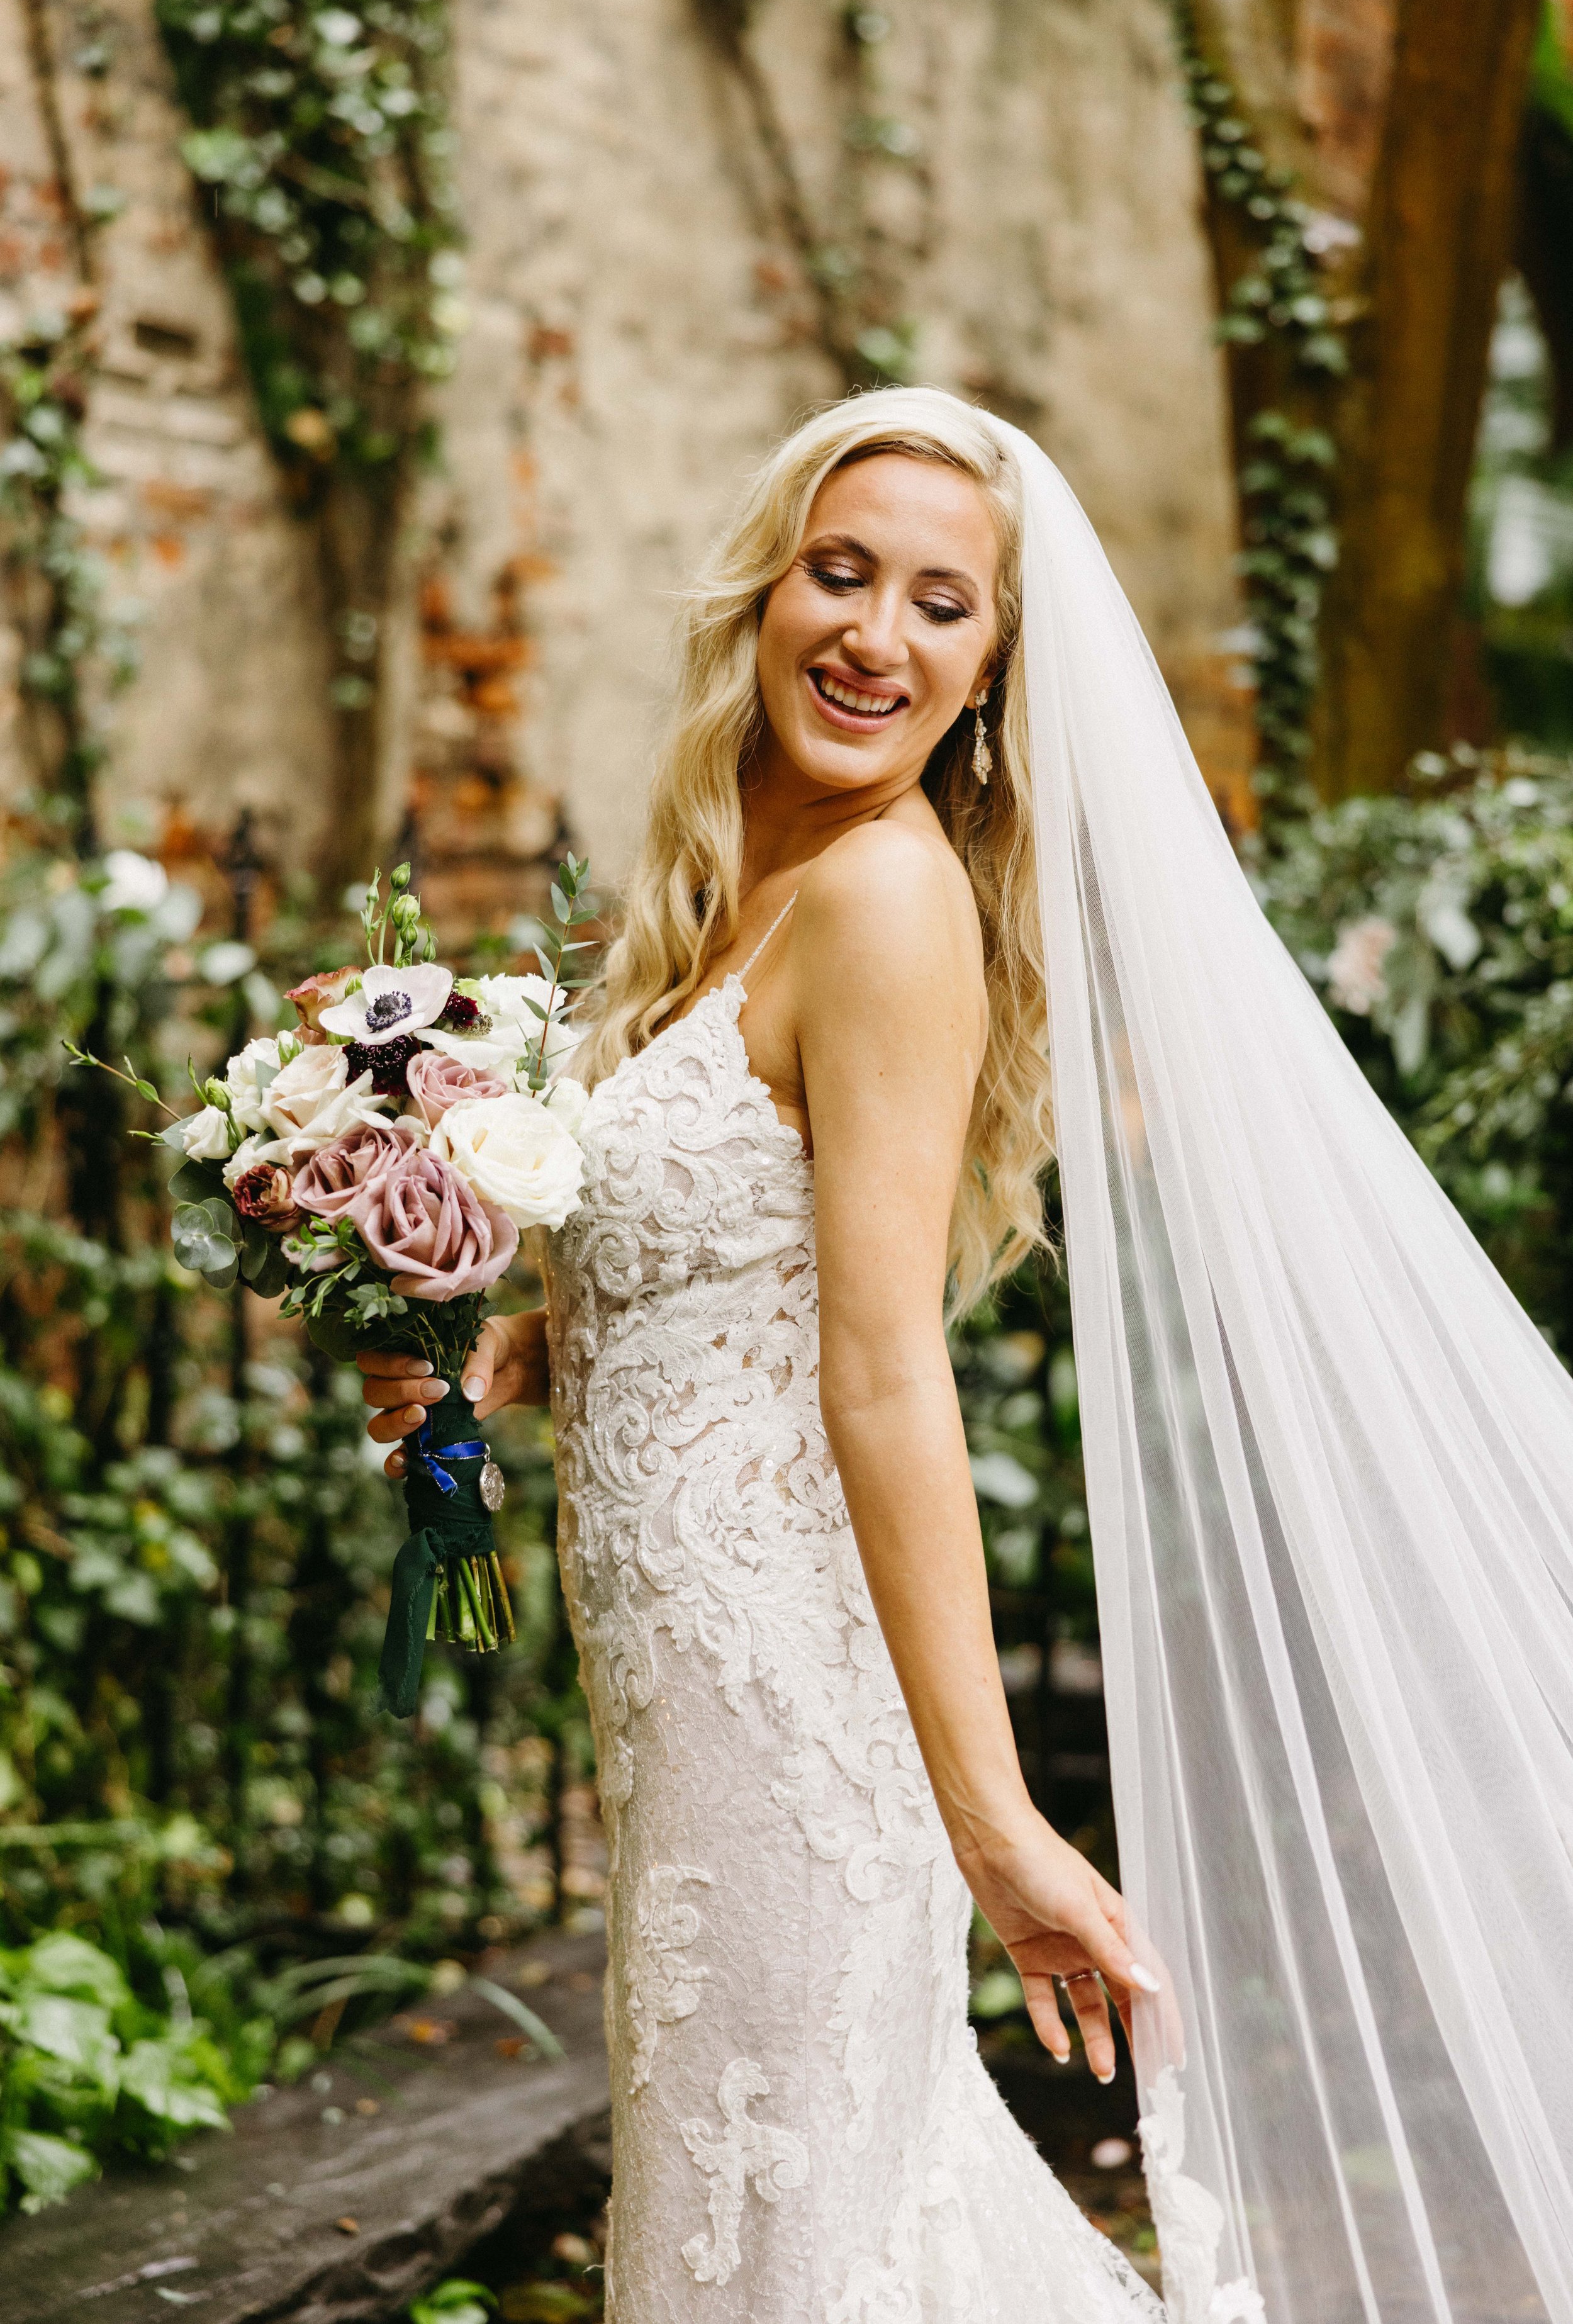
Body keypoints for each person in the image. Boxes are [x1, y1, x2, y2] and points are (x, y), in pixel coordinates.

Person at [362, 390, 1573, 2323]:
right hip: (681, 1710)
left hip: (792, 1709)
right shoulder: (724, 868)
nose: (876, 636)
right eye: (840, 576)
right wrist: (514, 1347)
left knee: (803, 2236)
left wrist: (995, 1822)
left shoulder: (885, 897)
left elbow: (878, 1372)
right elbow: (721, 1259)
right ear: (765, 594)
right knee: (784, 2210)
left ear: (993, 670)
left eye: (942, 605)